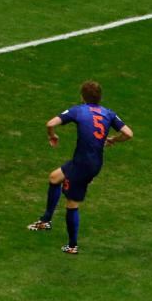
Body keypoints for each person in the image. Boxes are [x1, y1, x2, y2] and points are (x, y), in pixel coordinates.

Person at [27, 81, 133, 254]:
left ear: (82, 96)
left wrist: (52, 136)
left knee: (72, 203)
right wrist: (114, 139)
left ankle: (72, 246)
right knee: (54, 177)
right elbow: (128, 133)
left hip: (83, 165)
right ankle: (46, 220)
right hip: (91, 162)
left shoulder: (78, 110)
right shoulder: (109, 113)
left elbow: (50, 123)